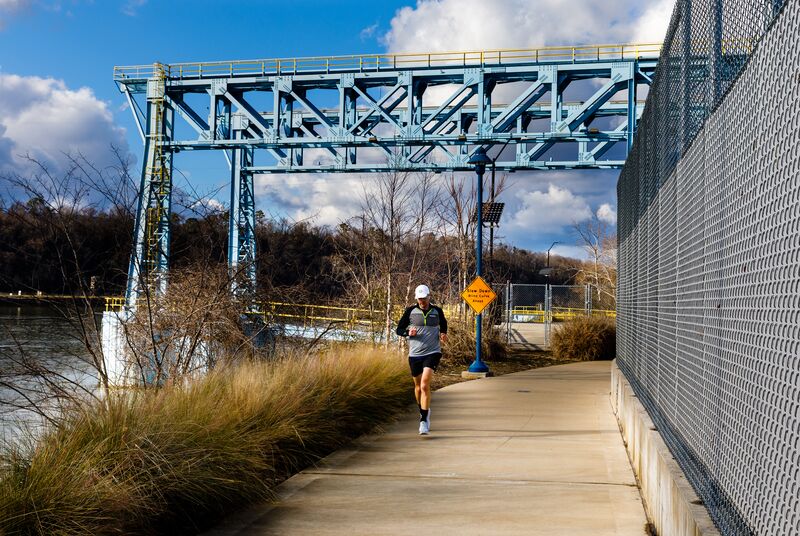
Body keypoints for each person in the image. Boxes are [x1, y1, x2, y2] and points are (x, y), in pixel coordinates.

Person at [396, 284, 448, 435]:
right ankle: (423, 411)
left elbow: (443, 323)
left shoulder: (437, 311)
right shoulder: (410, 311)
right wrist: (407, 332)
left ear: (429, 297)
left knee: (425, 384)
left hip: (432, 352)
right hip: (415, 354)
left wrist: (443, 333)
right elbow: (399, 329)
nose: (422, 302)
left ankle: (423, 421)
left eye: (424, 299)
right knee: (418, 387)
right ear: (416, 298)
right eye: (419, 299)